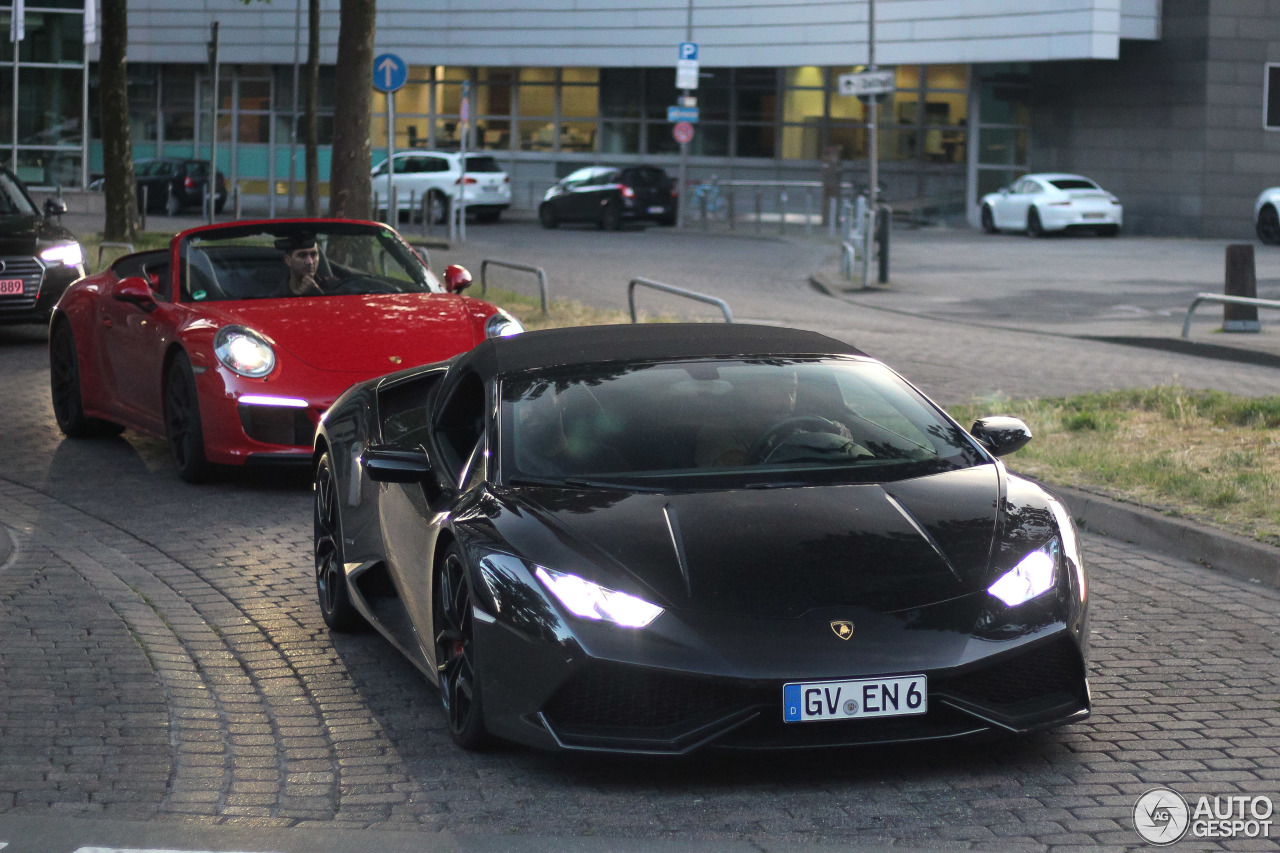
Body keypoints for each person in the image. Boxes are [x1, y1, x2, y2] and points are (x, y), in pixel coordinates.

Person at [271, 233, 335, 297]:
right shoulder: (277, 297)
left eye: (313, 254)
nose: (310, 262)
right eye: (302, 255)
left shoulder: (334, 286)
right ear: (288, 260)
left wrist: (317, 292)